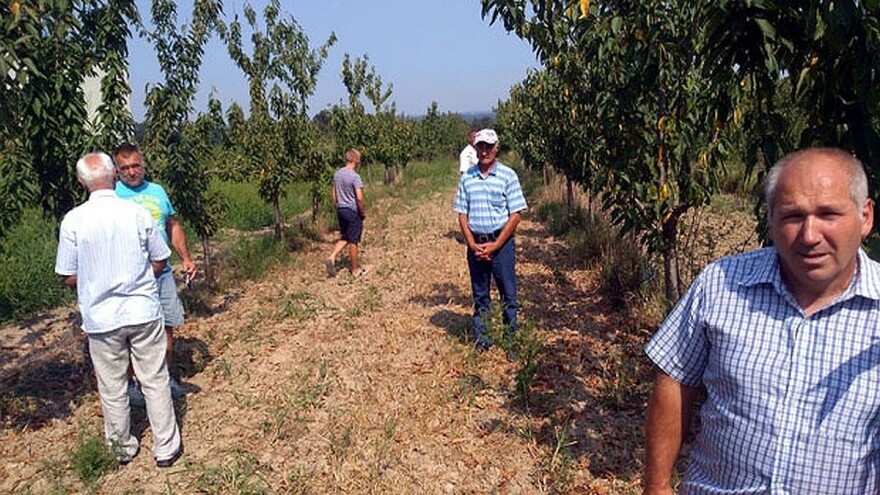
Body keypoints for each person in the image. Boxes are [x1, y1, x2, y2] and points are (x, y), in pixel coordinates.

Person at [642, 147, 879, 494]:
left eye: (828, 214)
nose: (810, 235)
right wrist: (657, 486)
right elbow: (675, 378)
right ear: (770, 220)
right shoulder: (721, 283)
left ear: (865, 217)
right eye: (792, 217)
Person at [55, 152, 183, 468]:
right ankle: (166, 447)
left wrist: (99, 279)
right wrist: (135, 276)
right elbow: (160, 258)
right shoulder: (136, 213)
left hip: (102, 317)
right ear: (114, 174)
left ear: (81, 182)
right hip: (141, 310)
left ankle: (122, 447)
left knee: (112, 387)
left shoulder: (74, 220)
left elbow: (69, 275)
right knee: (153, 379)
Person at [113, 143, 196, 400]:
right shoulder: (112, 196)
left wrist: (186, 257)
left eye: (135, 165)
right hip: (130, 280)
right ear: (116, 171)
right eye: (124, 168)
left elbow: (172, 224)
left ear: (143, 164)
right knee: (128, 334)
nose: (131, 172)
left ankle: (166, 379)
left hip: (162, 275)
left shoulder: (157, 191)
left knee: (167, 326)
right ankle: (131, 386)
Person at [453, 129, 528, 352]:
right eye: (480, 146)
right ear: (475, 149)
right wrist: (471, 243)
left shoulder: (508, 176)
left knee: (508, 294)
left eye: (488, 146)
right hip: (476, 243)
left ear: (496, 148)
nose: (484, 151)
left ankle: (511, 340)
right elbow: (462, 214)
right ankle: (482, 340)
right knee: (480, 294)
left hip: (501, 244)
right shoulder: (468, 177)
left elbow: (515, 215)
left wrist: (496, 245)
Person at [326, 148, 367, 277]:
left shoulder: (337, 174)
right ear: (355, 160)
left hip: (341, 209)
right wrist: (362, 212)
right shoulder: (355, 177)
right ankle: (355, 270)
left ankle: (332, 257)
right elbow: (359, 198)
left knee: (346, 236)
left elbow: (334, 193)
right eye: (359, 160)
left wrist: (339, 205)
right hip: (352, 211)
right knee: (353, 240)